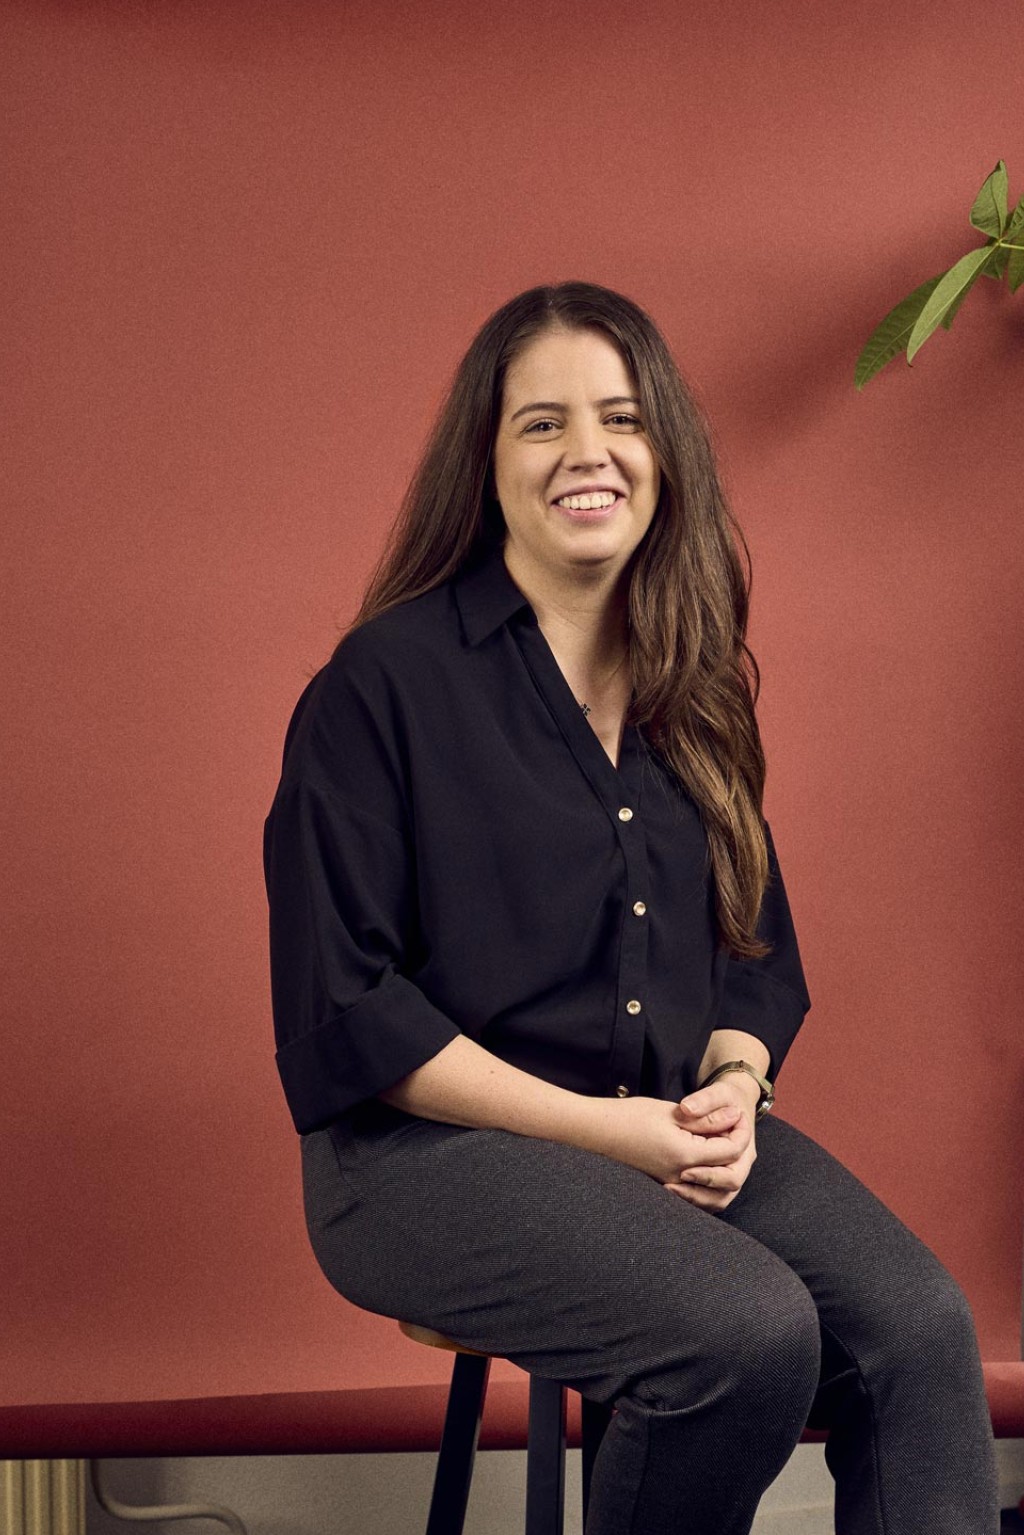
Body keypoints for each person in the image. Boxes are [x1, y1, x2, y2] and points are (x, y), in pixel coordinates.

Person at [263, 281, 998, 1534]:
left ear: (665, 450)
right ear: (485, 462)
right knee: (744, 1332)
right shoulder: (379, 685)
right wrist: (618, 1135)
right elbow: (352, 1010)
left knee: (922, 1332)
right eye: (540, 423)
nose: (587, 453)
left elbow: (753, 938)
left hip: (657, 1127)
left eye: (619, 416)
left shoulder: (692, 678)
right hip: (417, 1162)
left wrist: (733, 1074)